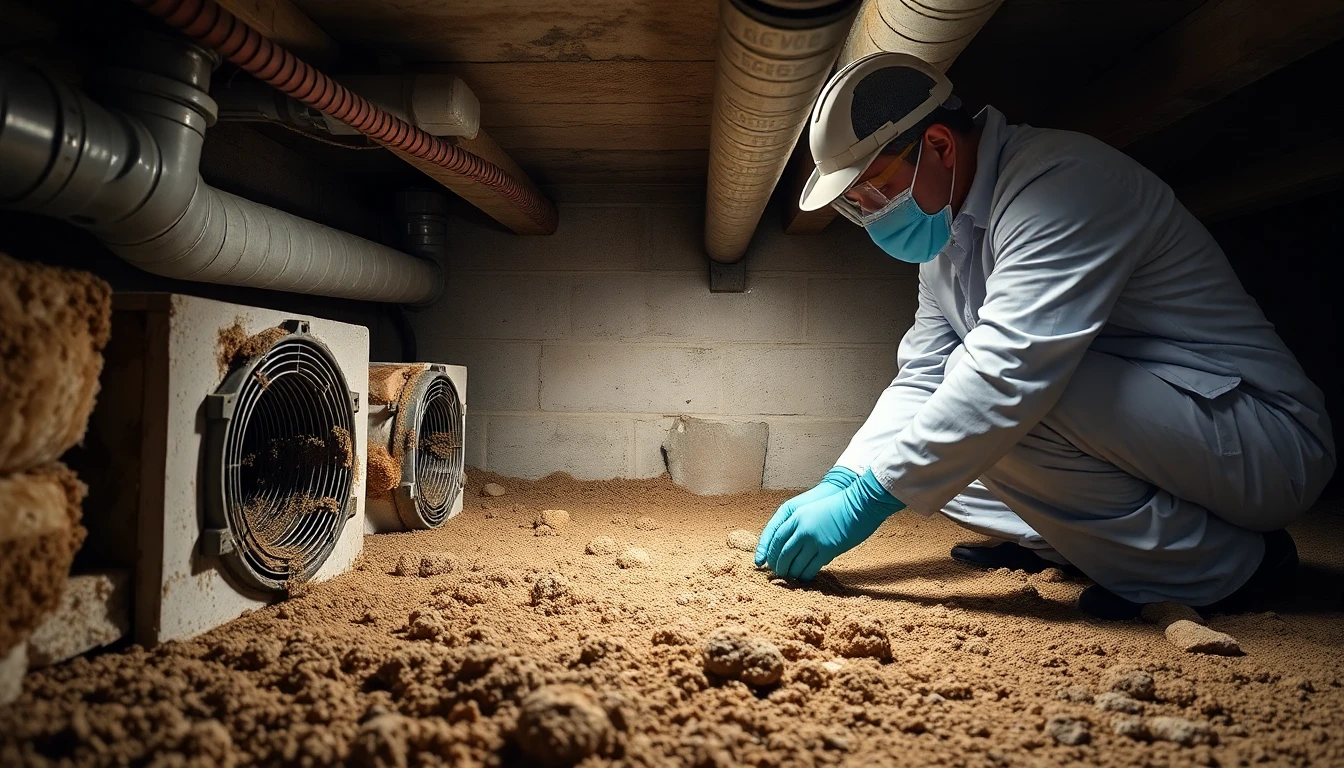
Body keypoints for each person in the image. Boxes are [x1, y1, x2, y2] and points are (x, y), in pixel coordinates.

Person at [755, 52, 1336, 619]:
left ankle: (1231, 570)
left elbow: (1010, 369)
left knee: (981, 416)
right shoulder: (947, 240)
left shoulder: (1064, 181)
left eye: (875, 189)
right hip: (1158, 433)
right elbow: (924, 375)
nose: (873, 213)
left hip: (1262, 441)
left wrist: (865, 502)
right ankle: (1072, 546)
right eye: (858, 204)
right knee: (941, 467)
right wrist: (845, 477)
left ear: (938, 145)